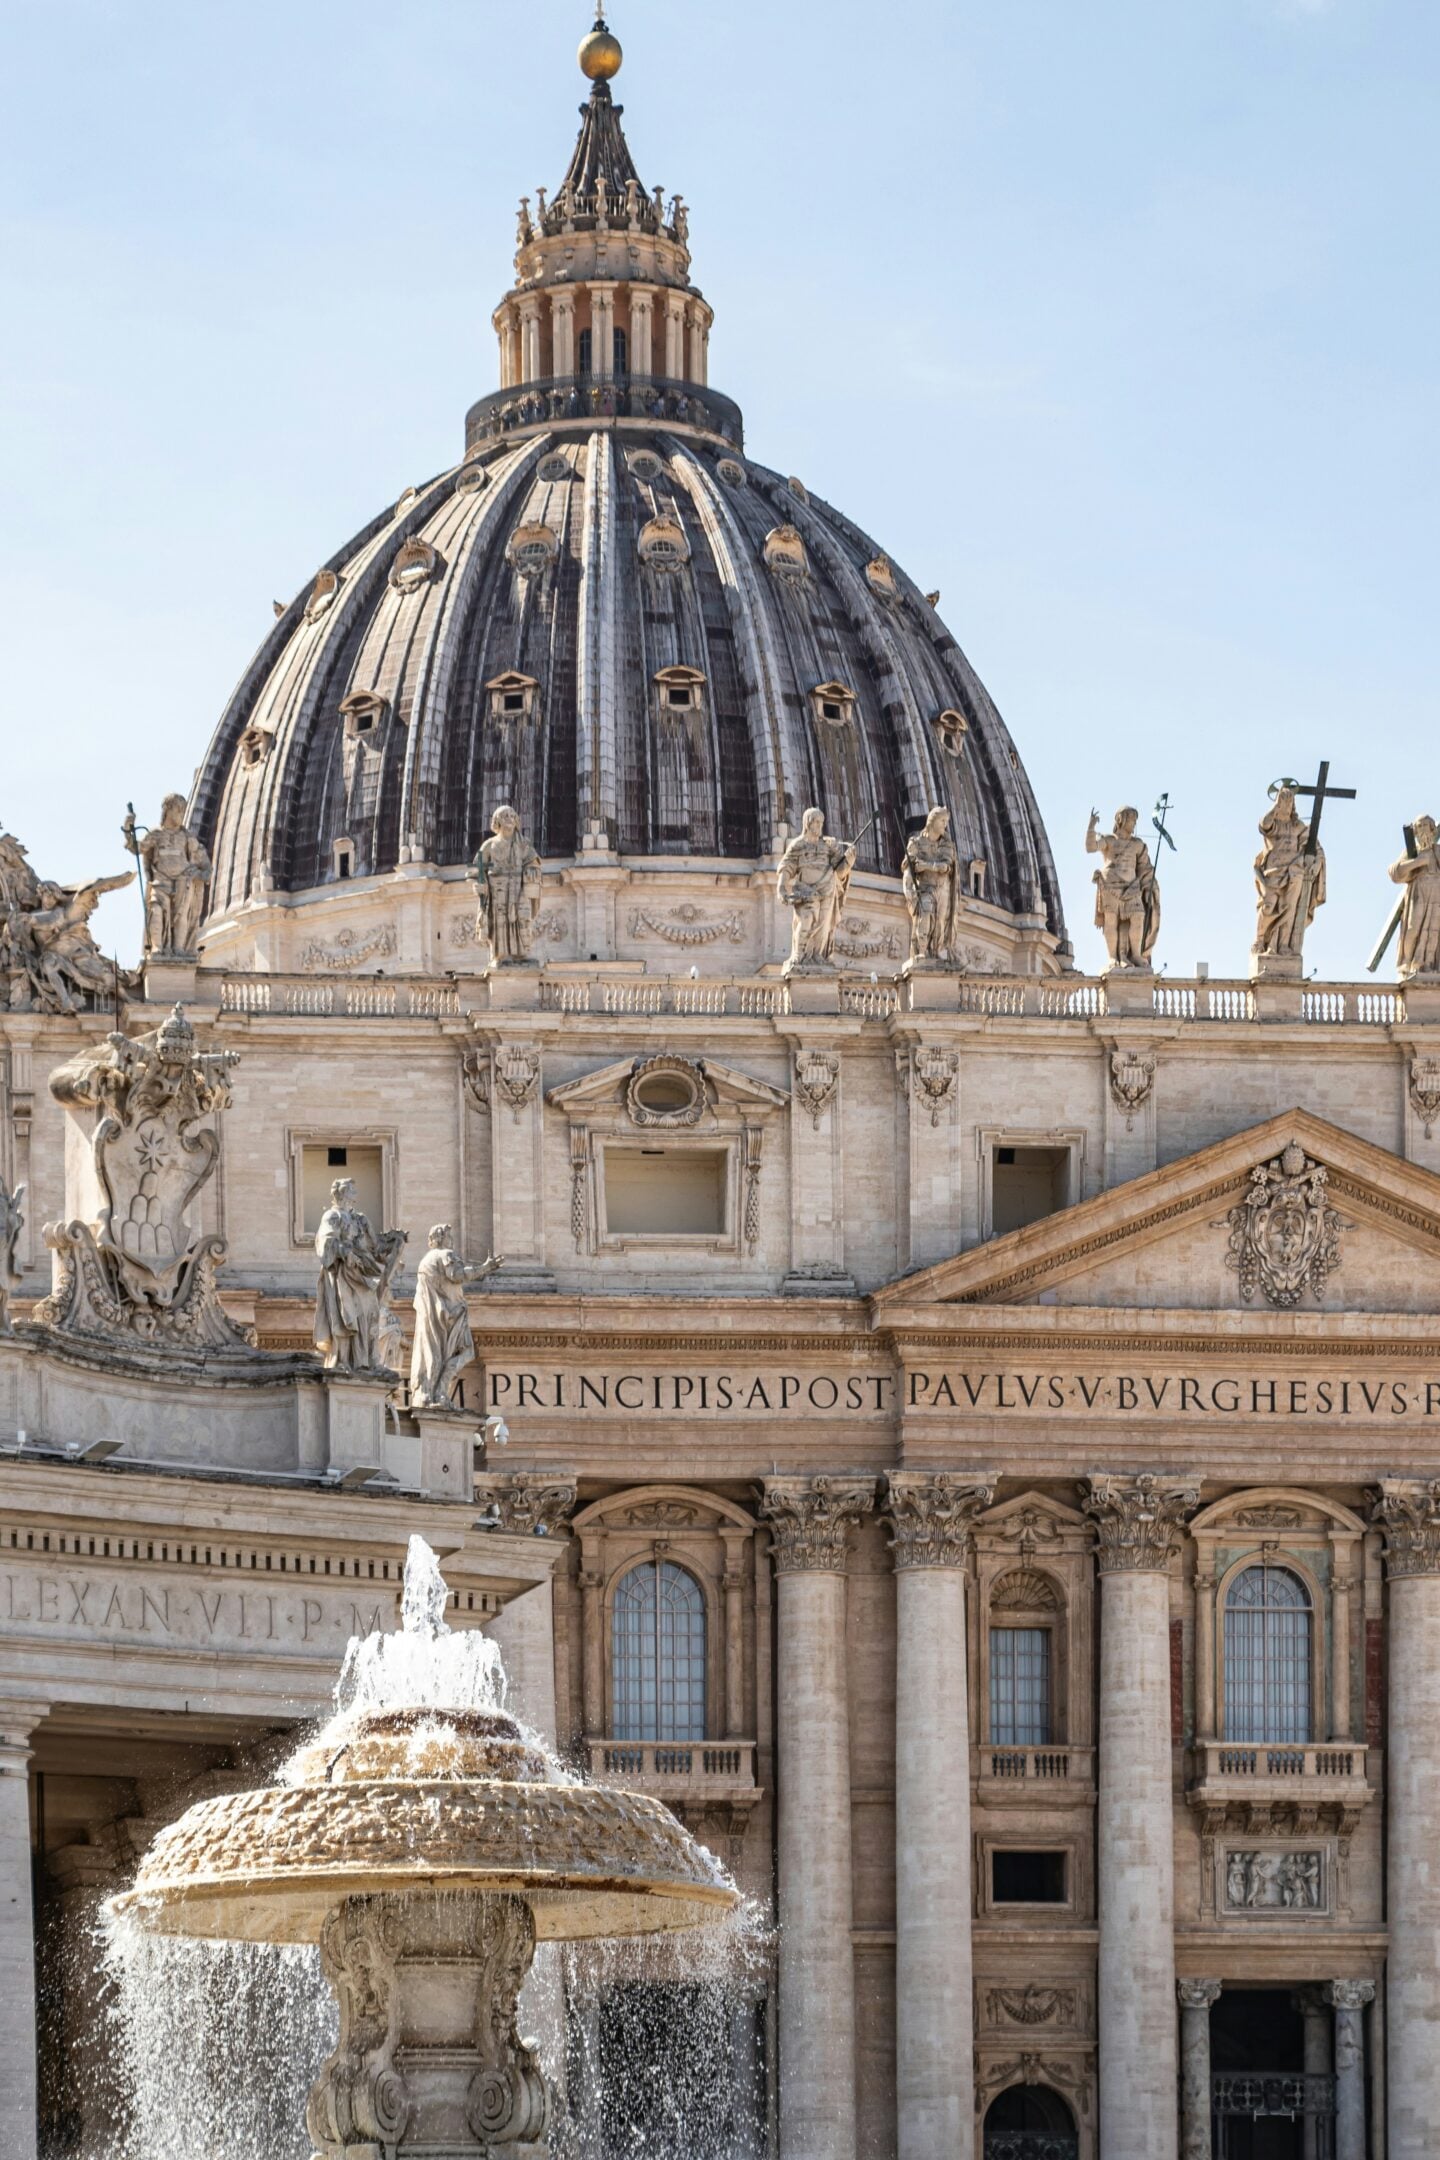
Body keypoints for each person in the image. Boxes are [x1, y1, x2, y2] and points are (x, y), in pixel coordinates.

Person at [313, 1178, 407, 1372]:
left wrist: (394, 1242)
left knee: (369, 1315)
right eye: (352, 1190)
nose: (355, 1194)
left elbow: (376, 1249)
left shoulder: (360, 1220)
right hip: (344, 1275)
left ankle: (367, 1361)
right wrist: (345, 1251)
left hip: (364, 1276)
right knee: (346, 1317)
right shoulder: (332, 1216)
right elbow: (326, 1242)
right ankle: (343, 1361)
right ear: (342, 1194)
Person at [410, 1228, 502, 1409]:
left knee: (432, 1354)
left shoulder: (424, 1262)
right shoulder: (445, 1255)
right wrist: (486, 1267)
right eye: (449, 1236)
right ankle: (441, 1390)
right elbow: (458, 1274)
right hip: (450, 1316)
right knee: (465, 1352)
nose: (452, 1239)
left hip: (430, 1316)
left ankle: (430, 1392)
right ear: (441, 1238)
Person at [124, 794, 212, 957]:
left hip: (182, 881)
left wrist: (199, 873)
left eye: (183, 810)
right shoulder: (156, 835)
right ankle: (158, 948)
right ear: (167, 810)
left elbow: (206, 866)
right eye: (177, 810)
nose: (181, 814)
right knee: (155, 910)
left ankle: (179, 950)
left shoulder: (187, 837)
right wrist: (128, 831)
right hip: (160, 881)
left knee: (180, 917)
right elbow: (137, 848)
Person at [776, 808, 855, 974]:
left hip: (826, 890)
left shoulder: (827, 846)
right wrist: (781, 886)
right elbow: (787, 866)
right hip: (806, 891)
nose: (819, 826)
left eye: (821, 822)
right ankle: (799, 954)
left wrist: (849, 860)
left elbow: (839, 871)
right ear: (807, 823)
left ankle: (818, 955)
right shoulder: (798, 845)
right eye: (816, 822)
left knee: (823, 925)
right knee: (806, 919)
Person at [1253, 786, 1325, 960]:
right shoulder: (1274, 824)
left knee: (1289, 909)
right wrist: (1275, 807)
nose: (1286, 803)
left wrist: (1315, 862)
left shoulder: (1298, 826)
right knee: (1268, 906)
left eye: (1289, 800)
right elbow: (1264, 825)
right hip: (1272, 873)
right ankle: (1261, 941)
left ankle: (1283, 946)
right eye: (1283, 800)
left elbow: (1316, 848)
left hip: (1294, 873)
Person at [1086, 806, 1160, 970]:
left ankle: (1135, 954)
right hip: (1110, 885)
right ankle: (1113, 957)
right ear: (1121, 819)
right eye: (1132, 819)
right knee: (1111, 921)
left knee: (1138, 916)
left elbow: (1145, 868)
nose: (1134, 824)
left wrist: (1150, 884)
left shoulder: (1138, 845)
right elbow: (1091, 847)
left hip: (1132, 888)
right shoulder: (1109, 840)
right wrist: (1091, 827)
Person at [472, 805, 542, 968]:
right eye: (505, 816)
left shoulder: (523, 844)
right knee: (500, 924)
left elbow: (533, 862)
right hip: (497, 892)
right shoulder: (489, 845)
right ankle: (500, 956)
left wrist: (531, 869)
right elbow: (476, 871)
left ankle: (519, 955)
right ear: (497, 821)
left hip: (518, 890)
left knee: (519, 922)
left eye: (512, 815)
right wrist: (478, 886)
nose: (510, 818)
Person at [902, 807, 962, 966]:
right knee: (926, 912)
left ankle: (935, 952)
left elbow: (945, 867)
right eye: (942, 821)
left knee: (940, 922)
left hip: (942, 889)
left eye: (946, 822)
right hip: (924, 889)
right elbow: (909, 866)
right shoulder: (915, 843)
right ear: (933, 821)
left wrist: (926, 866)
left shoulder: (947, 845)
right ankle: (921, 951)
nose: (945, 825)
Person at [1389, 814, 1440, 979]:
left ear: (1433, 830)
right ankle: (1408, 965)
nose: (1423, 829)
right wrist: (1418, 862)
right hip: (1418, 894)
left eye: (1426, 825)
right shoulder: (1411, 852)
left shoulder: (1438, 851)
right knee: (1413, 928)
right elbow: (1394, 873)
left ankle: (1430, 966)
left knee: (1434, 931)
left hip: (1437, 894)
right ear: (1415, 833)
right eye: (1419, 826)